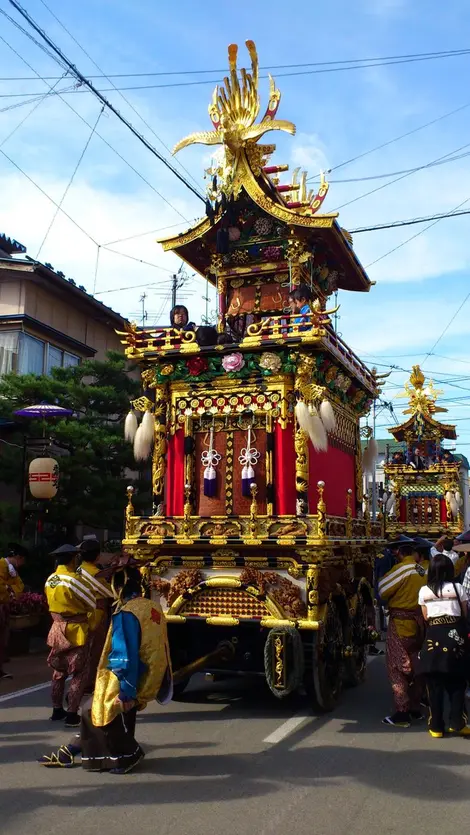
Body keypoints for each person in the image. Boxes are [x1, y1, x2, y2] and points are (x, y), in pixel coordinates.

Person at [39, 561, 172, 774]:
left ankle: (128, 755)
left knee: (93, 710)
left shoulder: (126, 614)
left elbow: (124, 656)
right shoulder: (152, 607)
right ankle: (70, 752)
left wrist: (126, 692)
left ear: (118, 588)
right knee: (95, 712)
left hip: (125, 677)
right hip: (147, 674)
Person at [418, 553, 470, 737]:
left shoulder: (424, 591)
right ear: (449, 570)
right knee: (457, 682)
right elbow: (464, 613)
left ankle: (436, 726)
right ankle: (457, 723)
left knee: (434, 685)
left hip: (433, 637)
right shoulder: (458, 588)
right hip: (456, 638)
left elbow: (425, 617)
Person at [45, 544, 96, 727]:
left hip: (57, 627)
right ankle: (72, 715)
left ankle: (57, 710)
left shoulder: (50, 579)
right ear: (73, 559)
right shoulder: (74, 579)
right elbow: (91, 603)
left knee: (58, 672)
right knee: (79, 673)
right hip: (76, 629)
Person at [379, 539, 428, 727]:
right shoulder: (421, 569)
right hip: (419, 622)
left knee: (396, 667)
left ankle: (402, 712)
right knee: (416, 664)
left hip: (401, 623)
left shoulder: (403, 569)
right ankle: (416, 708)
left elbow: (382, 590)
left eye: (394, 551)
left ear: (399, 552)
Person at [76, 538, 113, 694]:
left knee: (84, 649)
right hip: (97, 613)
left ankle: (82, 681)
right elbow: (110, 593)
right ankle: (89, 682)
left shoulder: (78, 570)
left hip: (82, 612)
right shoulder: (95, 573)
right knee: (96, 649)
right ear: (97, 556)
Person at [0, 543, 27, 680]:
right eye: (22, 559)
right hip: (1, 603)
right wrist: (10, 589)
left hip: (4, 605)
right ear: (17, 557)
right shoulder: (1, 565)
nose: (22, 563)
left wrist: (10, 589)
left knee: (3, 639)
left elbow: (19, 586)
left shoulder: (11, 570)